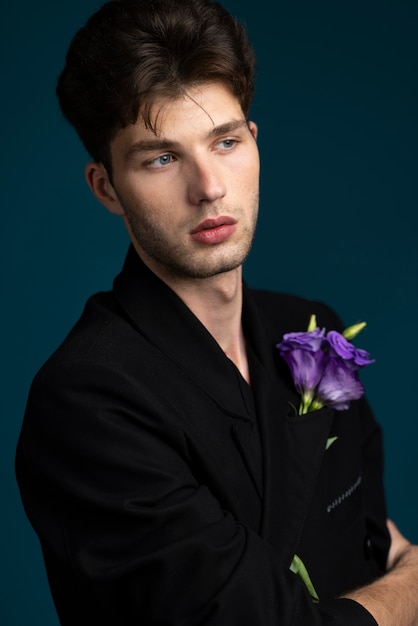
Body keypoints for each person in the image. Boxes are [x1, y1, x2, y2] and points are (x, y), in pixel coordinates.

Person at [15, 0, 418, 624]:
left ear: (253, 143)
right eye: (161, 158)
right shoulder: (86, 401)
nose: (209, 187)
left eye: (224, 141)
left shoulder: (312, 331)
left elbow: (367, 538)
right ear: (106, 187)